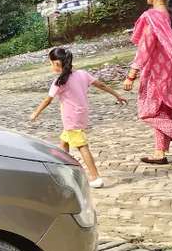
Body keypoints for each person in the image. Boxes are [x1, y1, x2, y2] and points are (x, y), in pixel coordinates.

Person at [30, 46, 127, 188]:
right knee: (64, 142)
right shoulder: (82, 73)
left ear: (57, 63)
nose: (50, 66)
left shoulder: (59, 82)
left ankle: (95, 177)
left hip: (71, 119)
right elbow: (101, 84)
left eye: (51, 63)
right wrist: (117, 94)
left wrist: (35, 113)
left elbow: (47, 100)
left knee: (82, 146)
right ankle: (62, 171)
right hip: (81, 115)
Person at [123, 0, 172, 164]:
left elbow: (145, 48)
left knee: (148, 113)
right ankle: (160, 153)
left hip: (157, 76)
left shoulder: (151, 17)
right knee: (164, 113)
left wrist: (132, 74)